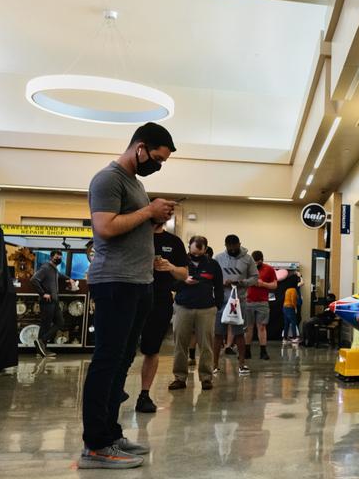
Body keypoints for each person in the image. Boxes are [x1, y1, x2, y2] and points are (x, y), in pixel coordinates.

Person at [79, 122, 177, 470]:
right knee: (107, 361)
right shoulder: (108, 179)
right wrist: (149, 211)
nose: (158, 165)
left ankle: (110, 433)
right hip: (115, 282)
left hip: (138, 283)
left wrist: (152, 218)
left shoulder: (135, 183)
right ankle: (95, 445)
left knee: (121, 363)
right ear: (139, 147)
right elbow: (104, 228)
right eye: (156, 158)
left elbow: (129, 226)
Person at [135, 223, 188, 413]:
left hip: (160, 300)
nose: (165, 213)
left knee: (152, 349)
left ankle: (144, 394)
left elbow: (184, 274)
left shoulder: (173, 242)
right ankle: (115, 389)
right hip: (132, 296)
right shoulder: (134, 235)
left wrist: (170, 267)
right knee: (122, 347)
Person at [169, 236, 221, 391]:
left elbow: (218, 287)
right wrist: (183, 281)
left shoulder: (213, 265)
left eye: (199, 253)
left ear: (205, 249)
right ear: (189, 248)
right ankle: (179, 378)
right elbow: (171, 284)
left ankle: (206, 378)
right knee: (180, 343)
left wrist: (216, 306)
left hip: (206, 309)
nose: (195, 256)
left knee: (206, 345)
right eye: (193, 253)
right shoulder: (180, 263)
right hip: (183, 307)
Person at [214, 235, 257, 375]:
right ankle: (214, 364)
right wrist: (222, 283)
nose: (232, 249)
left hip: (239, 301)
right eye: (229, 247)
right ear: (225, 245)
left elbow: (255, 278)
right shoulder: (218, 258)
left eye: (235, 246)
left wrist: (242, 283)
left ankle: (242, 364)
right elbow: (211, 277)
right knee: (218, 333)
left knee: (239, 333)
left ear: (240, 244)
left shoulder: (248, 259)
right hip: (221, 301)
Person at [31, 250, 65, 357]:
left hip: (54, 302)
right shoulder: (46, 267)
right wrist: (43, 293)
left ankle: (41, 342)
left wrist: (70, 279)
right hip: (47, 301)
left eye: (60, 257)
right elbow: (34, 280)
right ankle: (41, 350)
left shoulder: (54, 270)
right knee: (45, 325)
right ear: (51, 257)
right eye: (57, 256)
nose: (58, 258)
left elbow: (60, 275)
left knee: (60, 322)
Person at [246, 250, 277, 360]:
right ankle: (247, 351)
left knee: (262, 327)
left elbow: (274, 285)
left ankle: (263, 351)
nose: (256, 265)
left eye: (258, 263)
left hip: (262, 302)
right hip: (248, 301)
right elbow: (241, 282)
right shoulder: (247, 268)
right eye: (254, 263)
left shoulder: (269, 269)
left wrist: (263, 284)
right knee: (248, 327)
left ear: (262, 260)